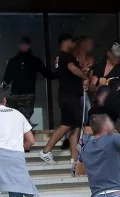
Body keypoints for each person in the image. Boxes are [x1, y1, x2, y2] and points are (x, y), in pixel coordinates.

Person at [0, 88, 39, 197]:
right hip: (16, 159)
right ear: (5, 100)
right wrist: (17, 150)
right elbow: (31, 140)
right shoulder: (17, 114)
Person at [39, 34, 89, 165]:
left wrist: (82, 71)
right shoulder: (65, 56)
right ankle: (46, 151)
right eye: (72, 41)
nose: (74, 44)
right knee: (66, 124)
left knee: (76, 127)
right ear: (65, 42)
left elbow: (70, 71)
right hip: (69, 96)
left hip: (72, 95)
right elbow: (72, 68)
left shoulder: (62, 57)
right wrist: (85, 77)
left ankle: (74, 159)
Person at [1, 37, 56, 122]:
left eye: (26, 44)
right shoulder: (14, 61)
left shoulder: (34, 60)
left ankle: (25, 135)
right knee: (12, 119)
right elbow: (7, 78)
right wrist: (1, 90)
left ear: (29, 46)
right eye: (22, 44)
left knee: (25, 120)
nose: (23, 46)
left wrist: (61, 72)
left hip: (27, 95)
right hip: (14, 95)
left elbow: (47, 74)